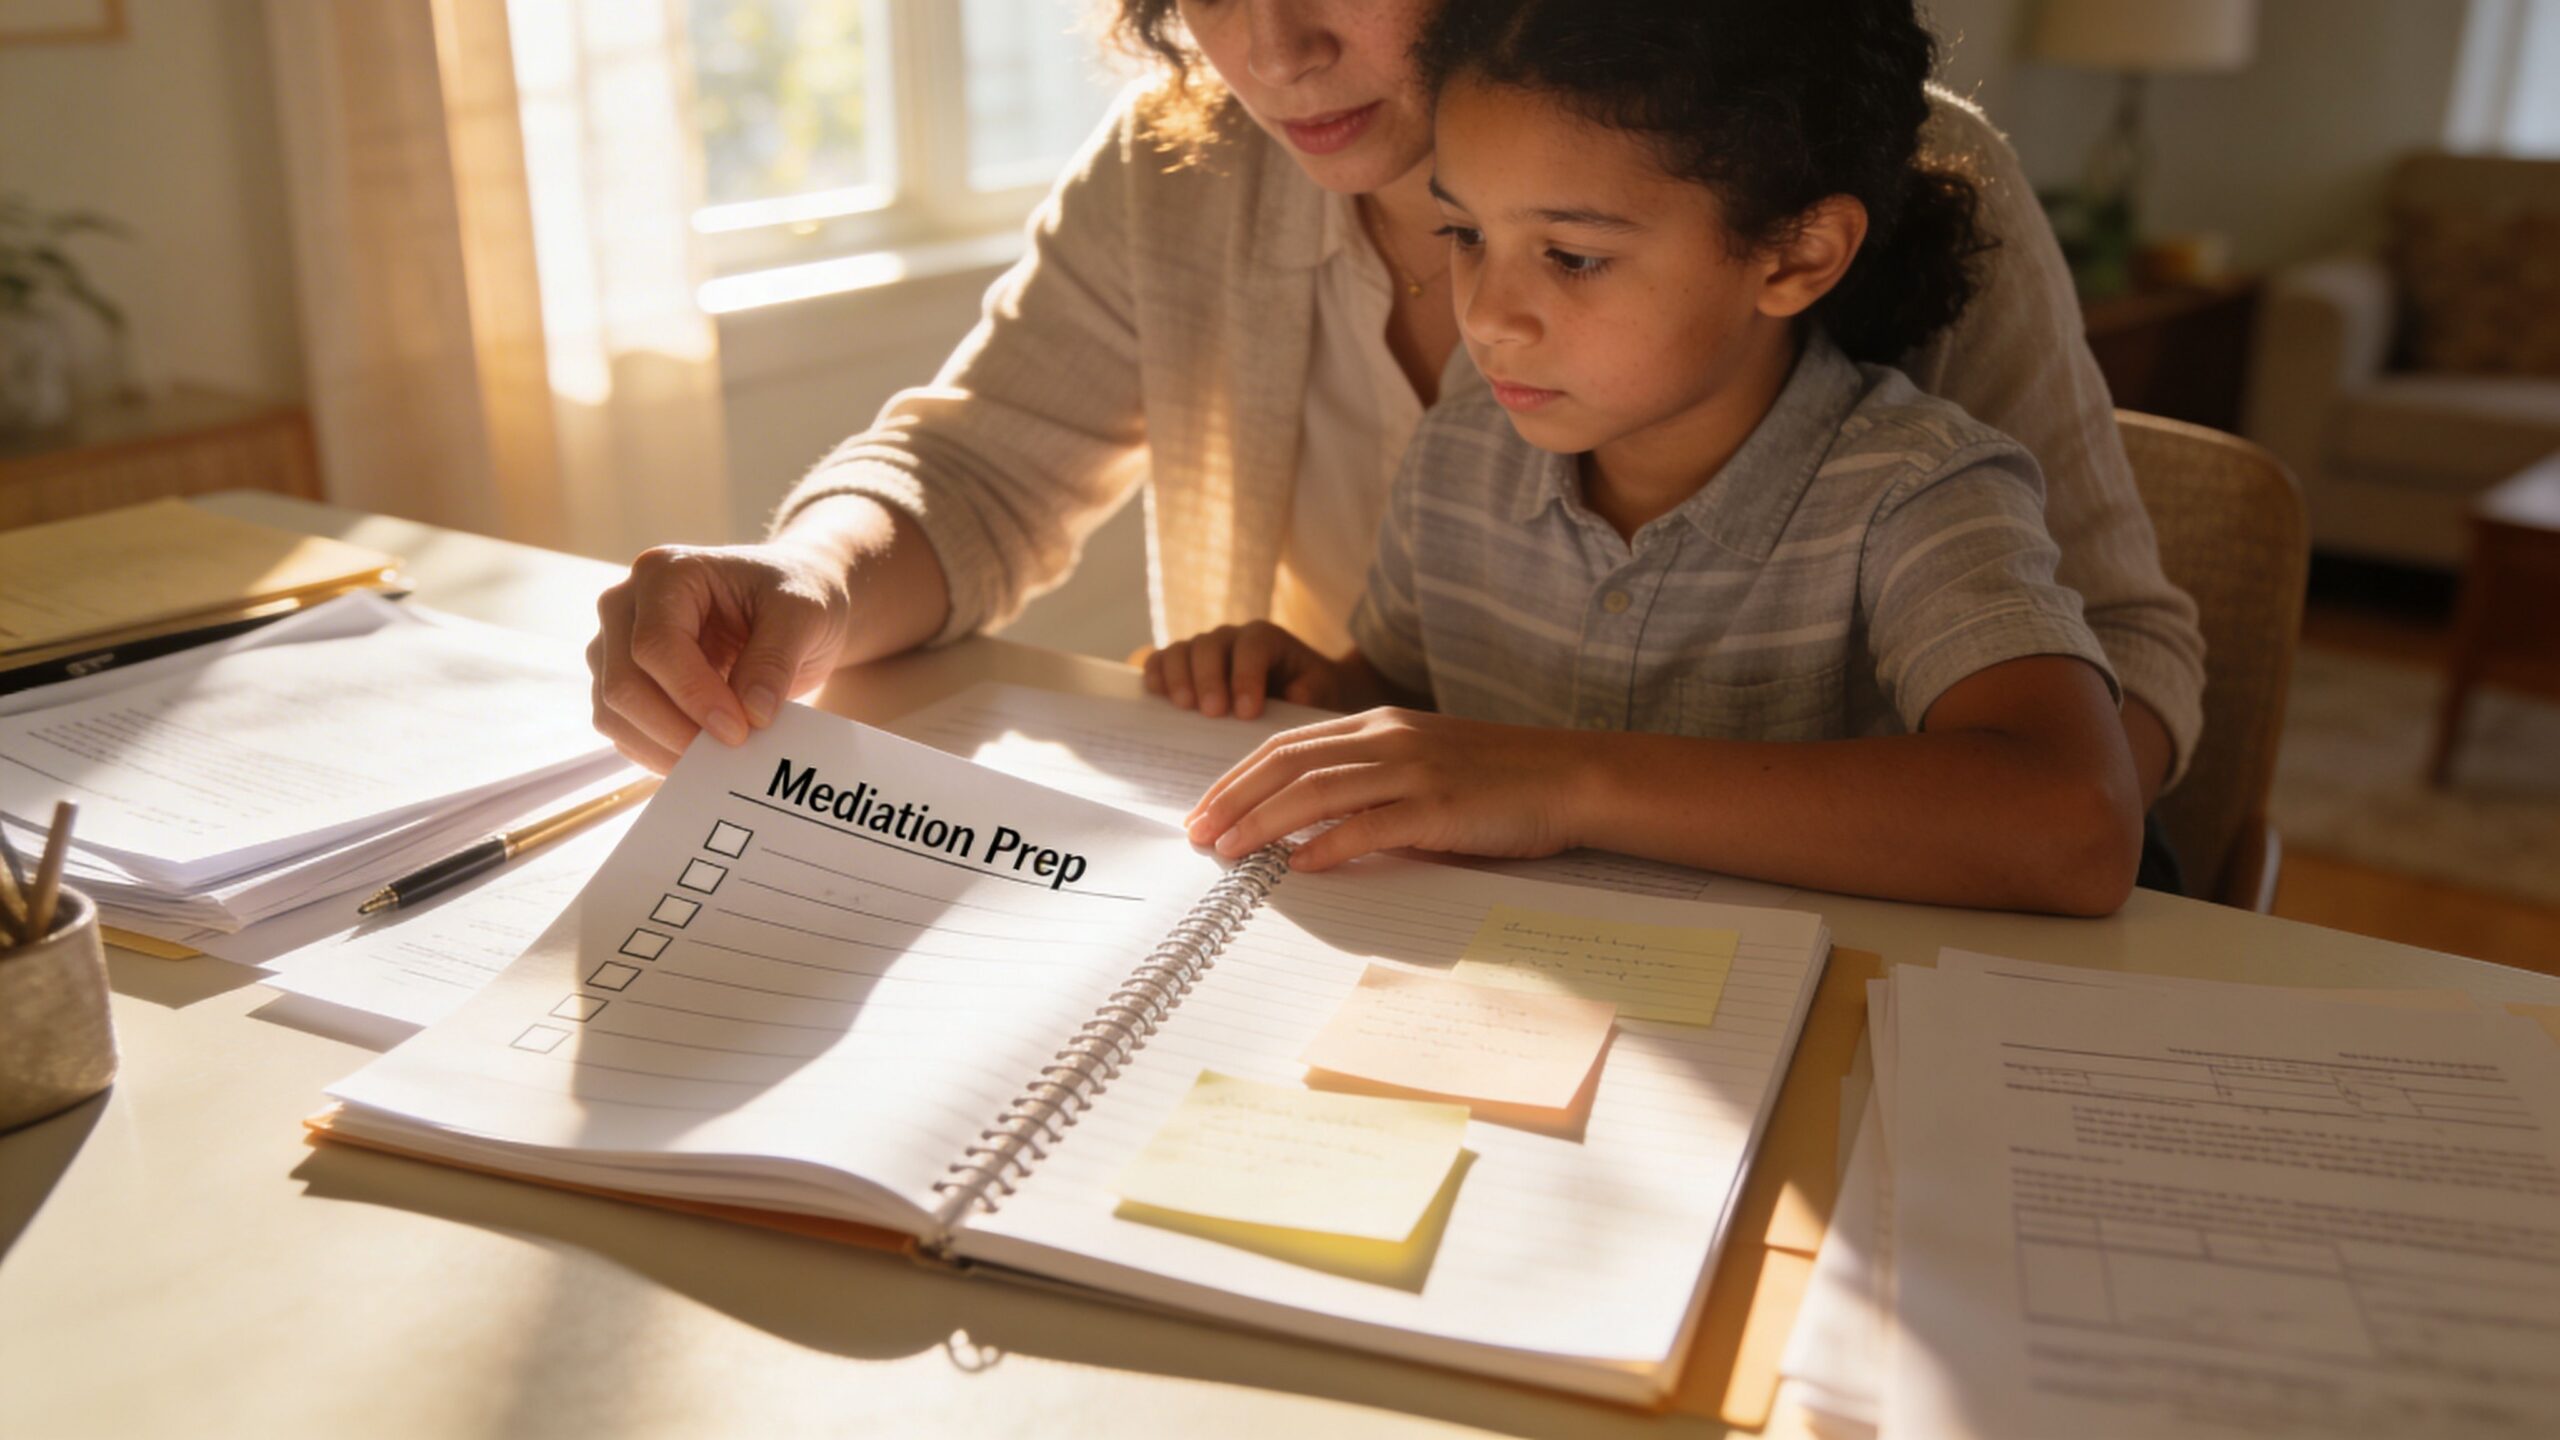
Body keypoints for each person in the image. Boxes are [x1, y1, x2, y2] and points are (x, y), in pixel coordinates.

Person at [585, 0, 2202, 865]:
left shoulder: (1845, 169)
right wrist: (801, 575)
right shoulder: (1187, 165)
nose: (1272, 51)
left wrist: (1596, 784)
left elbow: (2094, 720)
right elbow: (980, 466)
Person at [1152, 0, 2140, 916]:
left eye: (1572, 256)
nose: (1488, 318)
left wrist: (1564, 783)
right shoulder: (1458, 454)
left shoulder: (1916, 493)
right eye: (1463, 233)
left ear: (1796, 255)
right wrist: (1318, 691)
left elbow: (2076, 822)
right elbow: (1414, 699)